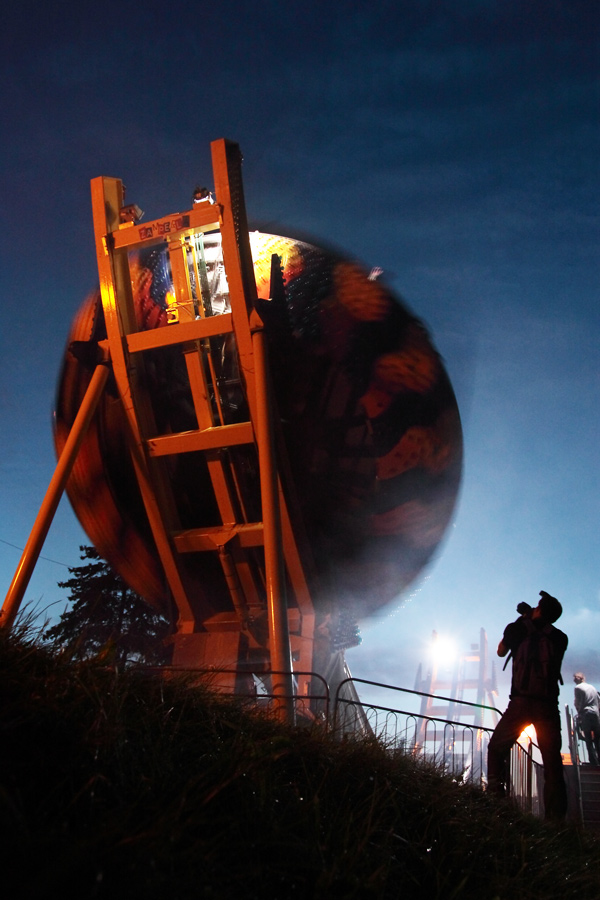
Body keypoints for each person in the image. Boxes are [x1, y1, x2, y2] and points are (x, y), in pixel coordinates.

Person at [487, 590, 568, 821]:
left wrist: (521, 619)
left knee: (496, 748)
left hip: (521, 703)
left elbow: (501, 651)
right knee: (552, 763)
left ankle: (496, 802)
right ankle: (555, 822)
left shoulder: (518, 629)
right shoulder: (560, 638)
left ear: (539, 610)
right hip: (548, 707)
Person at [573, 672, 600, 766]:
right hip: (596, 713)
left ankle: (593, 762)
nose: (574, 680)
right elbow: (598, 700)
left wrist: (579, 713)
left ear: (579, 678)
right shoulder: (592, 687)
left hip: (586, 713)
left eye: (575, 678)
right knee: (597, 739)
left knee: (588, 739)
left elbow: (578, 703)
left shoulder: (578, 688)